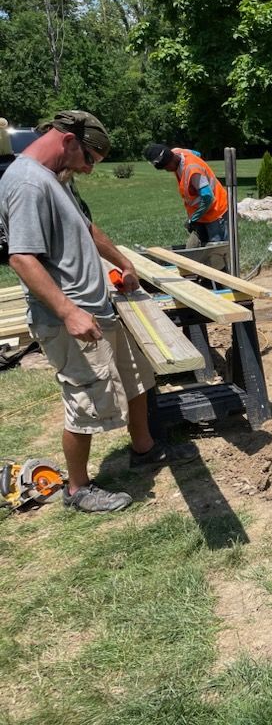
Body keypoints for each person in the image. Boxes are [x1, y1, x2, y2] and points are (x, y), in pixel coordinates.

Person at [0, 110, 199, 513]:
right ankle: (78, 489)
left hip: (100, 306)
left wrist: (124, 262)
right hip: (69, 317)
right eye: (89, 158)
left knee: (136, 377)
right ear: (68, 141)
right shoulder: (26, 183)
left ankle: (144, 449)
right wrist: (68, 312)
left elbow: (87, 228)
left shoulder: (57, 178)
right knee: (86, 400)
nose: (90, 169)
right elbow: (21, 258)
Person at [143, 143, 228, 246]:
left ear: (171, 161)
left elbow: (208, 197)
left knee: (216, 246)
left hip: (216, 210)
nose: (167, 171)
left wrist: (193, 219)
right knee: (203, 244)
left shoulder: (193, 171)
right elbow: (197, 153)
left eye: (166, 168)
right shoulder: (177, 152)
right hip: (203, 211)